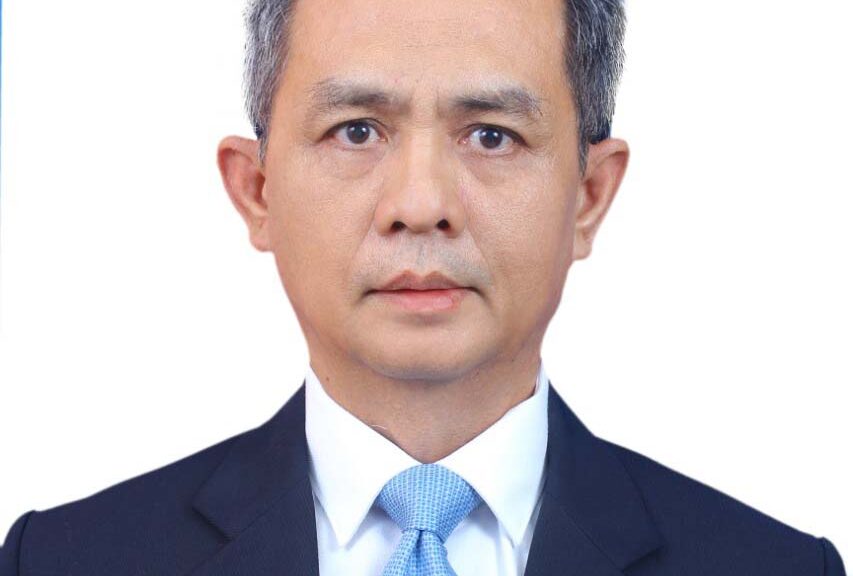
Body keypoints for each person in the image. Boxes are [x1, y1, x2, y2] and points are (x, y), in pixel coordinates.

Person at [0, 0, 846, 574]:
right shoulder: (65, 560)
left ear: (588, 196)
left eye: (491, 135)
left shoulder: (772, 567)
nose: (419, 204)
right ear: (256, 191)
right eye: (355, 130)